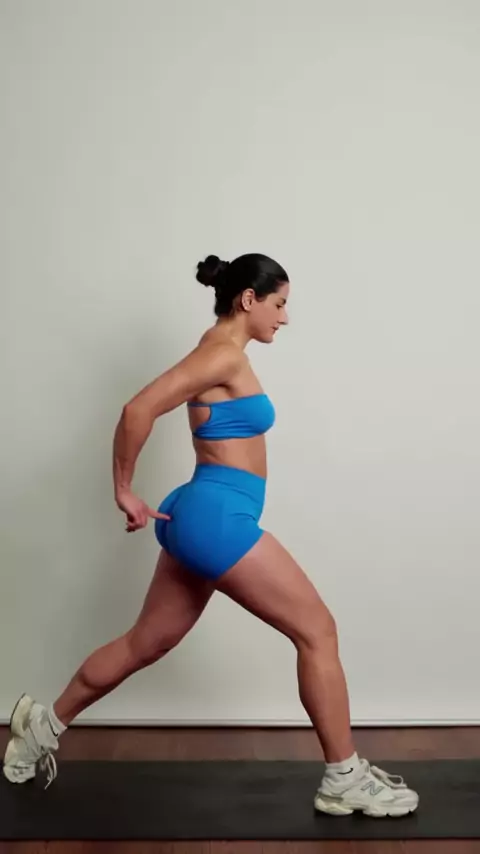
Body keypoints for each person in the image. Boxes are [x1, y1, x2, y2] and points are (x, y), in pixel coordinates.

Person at [3, 252, 419, 817]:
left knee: (144, 643)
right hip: (217, 518)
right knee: (318, 631)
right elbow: (137, 409)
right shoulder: (221, 353)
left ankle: (39, 729)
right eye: (279, 304)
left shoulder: (220, 350)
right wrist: (124, 488)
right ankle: (343, 777)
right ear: (249, 299)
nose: (285, 317)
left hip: (201, 513)